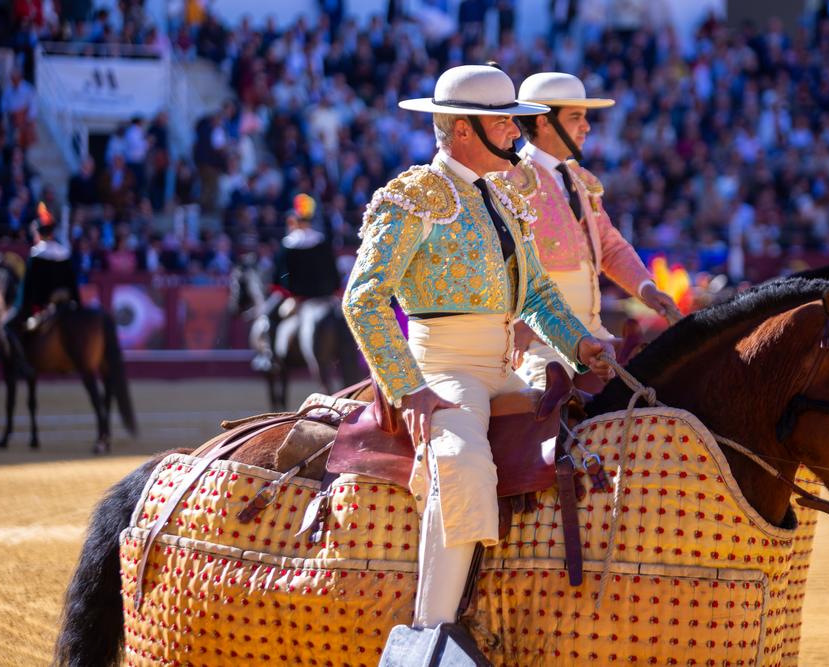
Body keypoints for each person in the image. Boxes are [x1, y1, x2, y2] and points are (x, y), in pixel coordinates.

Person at [342, 65, 614, 632]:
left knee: (586, 435)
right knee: (462, 464)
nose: (518, 131)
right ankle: (431, 633)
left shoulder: (503, 199)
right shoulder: (414, 196)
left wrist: (581, 343)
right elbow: (364, 300)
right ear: (463, 129)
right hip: (443, 371)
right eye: (504, 122)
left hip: (503, 368)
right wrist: (408, 389)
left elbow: (537, 292)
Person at [506, 71, 680, 388]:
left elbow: (610, 247)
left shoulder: (579, 179)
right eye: (576, 117)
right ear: (543, 122)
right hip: (541, 342)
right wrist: (523, 321)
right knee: (545, 413)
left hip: (594, 334)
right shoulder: (509, 182)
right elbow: (500, 260)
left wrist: (647, 289)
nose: (586, 126)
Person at [250, 194, 341, 374]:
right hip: (324, 297)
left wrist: (287, 291)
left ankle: (270, 357)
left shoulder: (289, 244)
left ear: (295, 220)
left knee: (268, 314)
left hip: (298, 299)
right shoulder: (321, 241)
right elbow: (333, 273)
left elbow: (281, 278)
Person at [1, 203, 80, 377]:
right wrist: (78, 305)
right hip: (65, 304)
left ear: (39, 233)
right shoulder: (63, 253)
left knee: (8, 325)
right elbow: (73, 285)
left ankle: (23, 363)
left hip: (41, 307)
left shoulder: (36, 254)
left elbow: (28, 288)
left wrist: (21, 307)